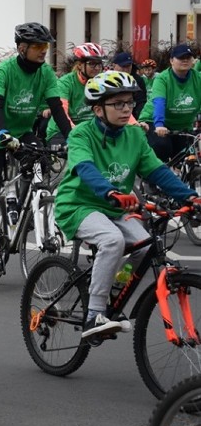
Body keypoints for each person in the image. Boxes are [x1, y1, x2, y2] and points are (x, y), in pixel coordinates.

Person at [54, 71, 200, 339]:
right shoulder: (81, 135)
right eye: (118, 104)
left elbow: (156, 170)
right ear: (98, 109)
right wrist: (110, 191)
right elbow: (85, 168)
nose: (126, 109)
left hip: (116, 208)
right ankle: (93, 316)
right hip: (78, 206)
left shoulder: (134, 135)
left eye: (130, 103)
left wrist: (190, 196)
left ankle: (112, 286)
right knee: (112, 241)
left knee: (144, 247)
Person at [0, 22, 73, 273]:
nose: (44, 51)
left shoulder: (46, 73)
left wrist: (73, 138)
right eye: (38, 46)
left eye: (46, 46)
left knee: (40, 161)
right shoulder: (4, 71)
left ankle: (19, 210)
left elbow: (57, 109)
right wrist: (3, 134)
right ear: (22, 48)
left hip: (22, 130)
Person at [138, 43, 201, 163]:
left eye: (188, 57)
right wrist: (159, 125)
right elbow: (159, 102)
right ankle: (152, 178)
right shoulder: (162, 78)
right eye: (181, 58)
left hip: (183, 125)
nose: (185, 60)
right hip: (155, 122)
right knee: (162, 147)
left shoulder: (198, 78)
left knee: (186, 157)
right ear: (172, 60)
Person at [44, 42, 105, 148]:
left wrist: (134, 124)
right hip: (61, 131)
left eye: (99, 64)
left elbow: (116, 105)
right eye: (92, 64)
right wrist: (75, 132)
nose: (96, 68)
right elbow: (62, 109)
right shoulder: (65, 83)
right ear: (80, 65)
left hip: (89, 131)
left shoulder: (102, 82)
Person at [110, 52, 147, 119]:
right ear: (114, 65)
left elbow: (141, 102)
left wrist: (141, 118)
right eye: (123, 66)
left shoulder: (138, 80)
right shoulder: (107, 79)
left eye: (129, 66)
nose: (126, 69)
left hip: (133, 116)